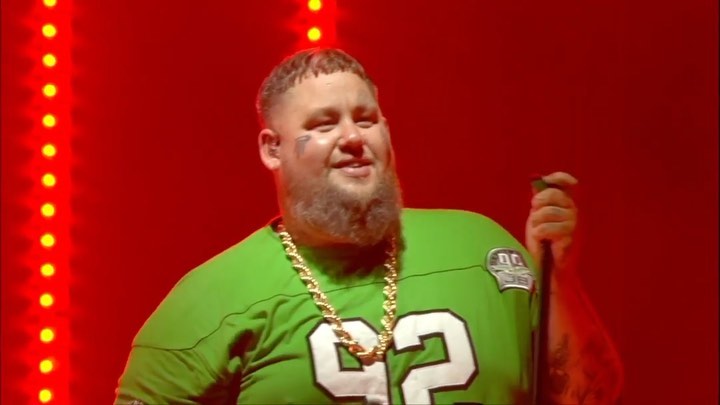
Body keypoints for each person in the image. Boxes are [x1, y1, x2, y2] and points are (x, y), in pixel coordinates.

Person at [116, 48, 623, 404]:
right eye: (323, 124)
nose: (353, 137)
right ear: (272, 149)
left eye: (365, 118)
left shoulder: (482, 249)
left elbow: (591, 396)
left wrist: (561, 280)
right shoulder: (210, 302)